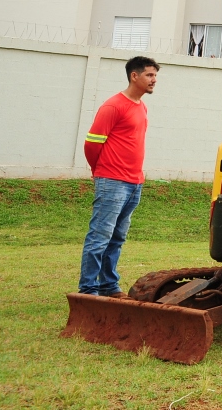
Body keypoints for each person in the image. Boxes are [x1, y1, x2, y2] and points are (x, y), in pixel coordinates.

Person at [78, 55, 159, 297]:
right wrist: (98, 171)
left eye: (155, 75)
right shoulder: (113, 105)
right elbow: (92, 144)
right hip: (112, 181)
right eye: (149, 75)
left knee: (117, 238)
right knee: (100, 236)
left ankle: (108, 285)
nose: (154, 80)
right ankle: (88, 289)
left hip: (134, 182)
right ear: (134, 76)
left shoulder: (141, 106)